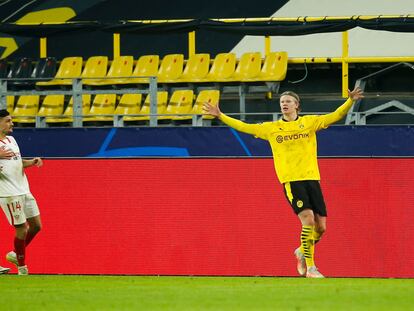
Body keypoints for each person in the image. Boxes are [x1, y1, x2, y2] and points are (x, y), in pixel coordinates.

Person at [203, 87, 364, 278]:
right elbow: (245, 127)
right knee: (308, 220)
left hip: (312, 177)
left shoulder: (309, 123)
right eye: (282, 102)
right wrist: (221, 116)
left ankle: (302, 252)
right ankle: (311, 268)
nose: (284, 104)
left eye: (288, 101)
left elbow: (335, 115)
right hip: (291, 180)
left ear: (297, 105)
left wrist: (350, 101)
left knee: (321, 228)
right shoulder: (271, 129)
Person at [0, 109, 43, 275]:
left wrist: (31, 162)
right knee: (22, 229)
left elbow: (17, 163)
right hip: (9, 193)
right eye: (8, 121)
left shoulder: (11, 139)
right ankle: (22, 267)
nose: (12, 124)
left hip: (24, 189)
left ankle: (14, 254)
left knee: (36, 226)